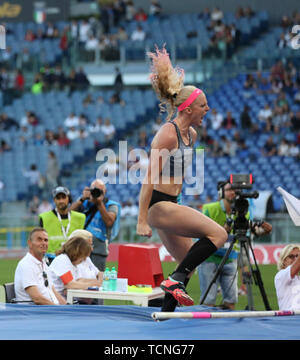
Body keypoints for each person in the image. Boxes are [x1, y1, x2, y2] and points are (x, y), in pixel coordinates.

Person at [136, 46, 228, 311]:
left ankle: (166, 316)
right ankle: (174, 280)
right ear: (187, 109)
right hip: (158, 206)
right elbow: (149, 179)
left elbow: (174, 176)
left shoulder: (192, 136)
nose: (207, 109)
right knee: (218, 234)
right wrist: (142, 219)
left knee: (185, 268)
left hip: (171, 203)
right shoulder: (168, 133)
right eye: (203, 105)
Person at [197, 181, 272, 309]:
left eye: (235, 190)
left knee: (231, 302)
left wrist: (263, 231)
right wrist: (222, 230)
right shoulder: (209, 208)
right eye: (229, 190)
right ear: (221, 192)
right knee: (208, 302)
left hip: (230, 259)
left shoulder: (244, 212)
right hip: (209, 259)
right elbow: (200, 232)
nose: (233, 193)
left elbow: (251, 231)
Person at [70, 179, 121, 272]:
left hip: (99, 248)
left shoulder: (111, 205)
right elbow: (68, 214)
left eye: (99, 191)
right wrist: (82, 198)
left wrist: (99, 203)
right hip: (80, 246)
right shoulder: (84, 202)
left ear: (105, 192)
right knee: (79, 274)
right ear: (89, 190)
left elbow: (109, 222)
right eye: (94, 190)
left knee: (97, 275)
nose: (96, 193)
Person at [14, 228, 66, 305]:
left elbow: (53, 291)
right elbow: (37, 299)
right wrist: (58, 309)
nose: (44, 243)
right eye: (39, 239)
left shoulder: (43, 263)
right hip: (34, 313)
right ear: (30, 243)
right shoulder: (26, 265)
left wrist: (66, 306)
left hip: (48, 309)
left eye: (46, 240)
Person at [39, 186, 86, 261]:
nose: (61, 201)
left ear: (69, 199)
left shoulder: (80, 218)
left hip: (74, 260)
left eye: (64, 197)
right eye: (58, 198)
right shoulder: (44, 218)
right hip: (52, 260)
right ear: (54, 200)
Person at [275, 244, 300, 310]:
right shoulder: (281, 275)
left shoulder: (298, 279)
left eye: (297, 256)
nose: (295, 259)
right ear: (284, 260)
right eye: (291, 256)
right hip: (289, 318)